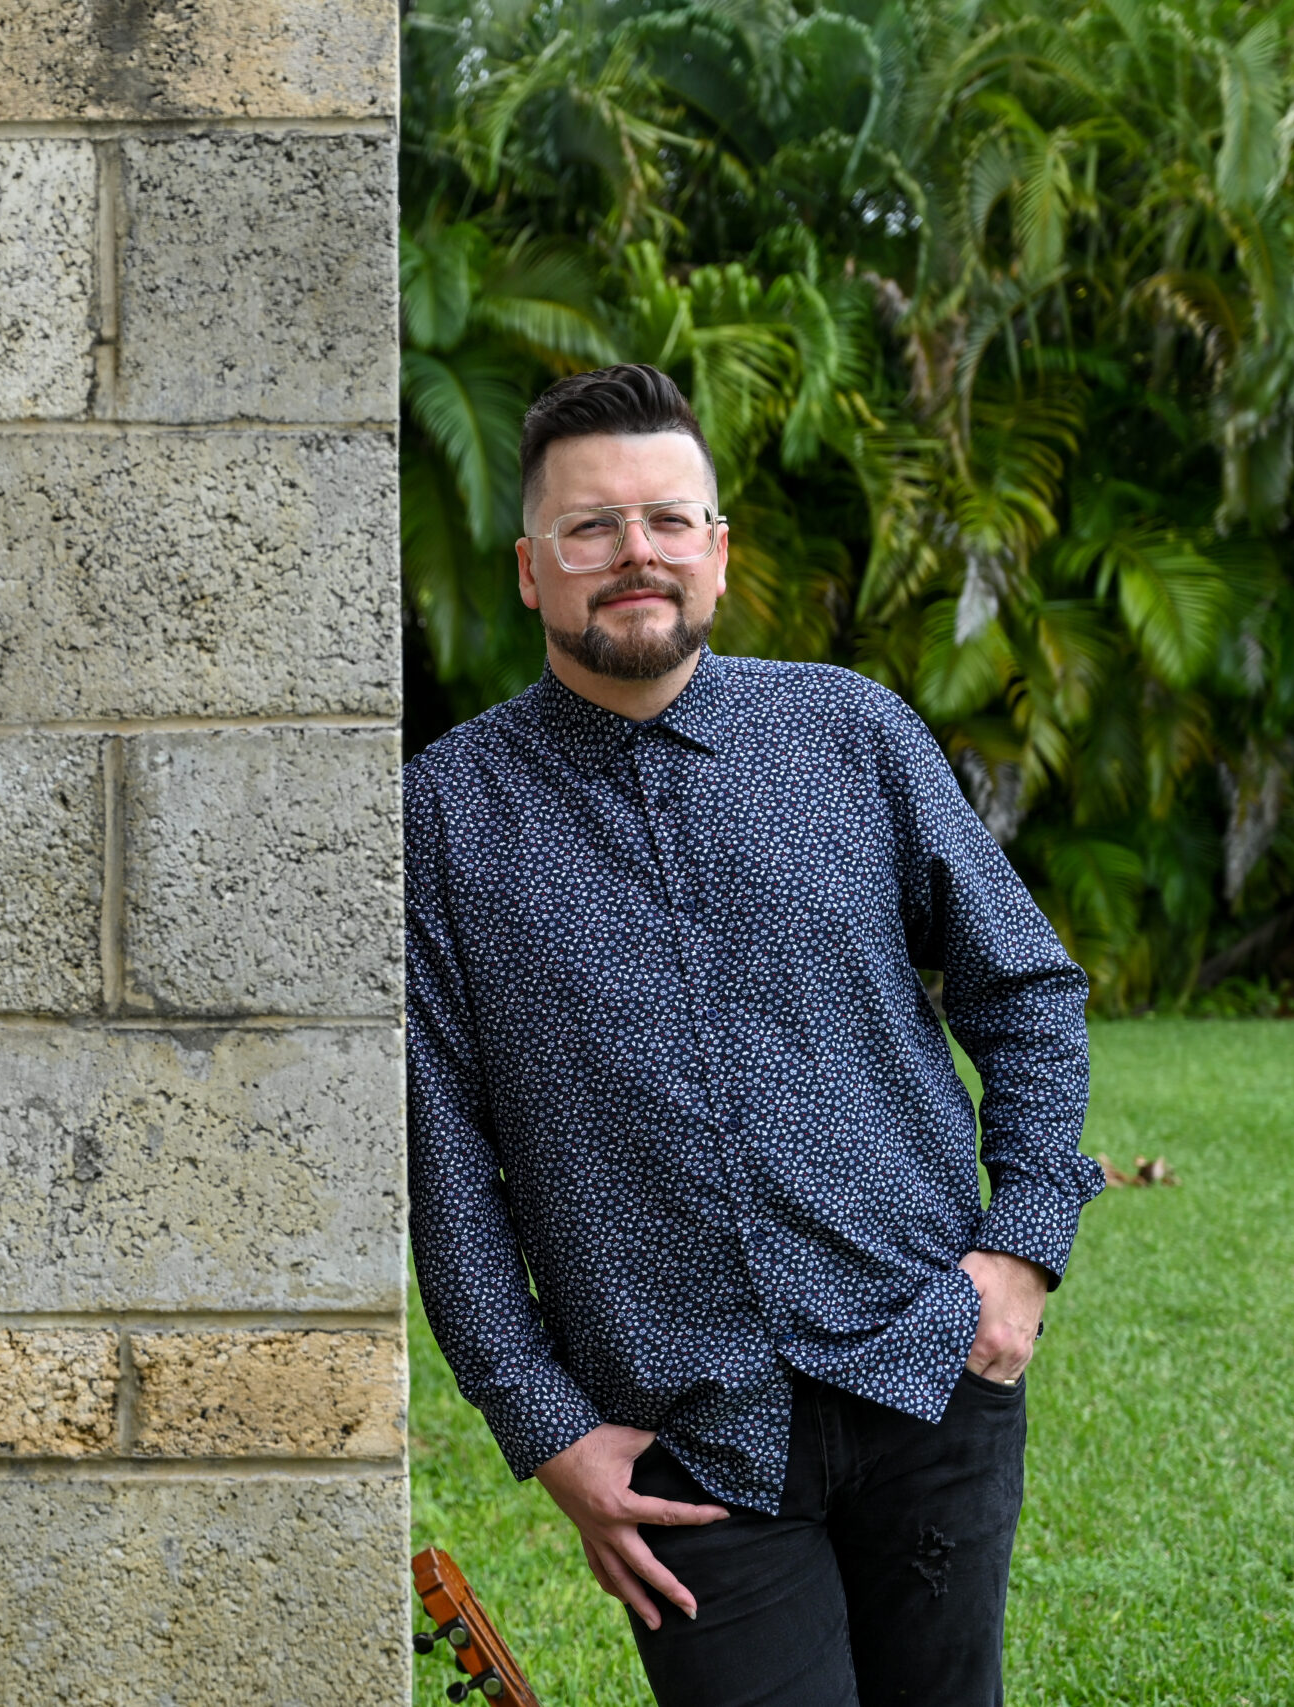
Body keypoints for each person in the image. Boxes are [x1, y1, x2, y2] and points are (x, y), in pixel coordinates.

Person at [406, 364, 1101, 1707]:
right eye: (589, 529)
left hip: (925, 1374)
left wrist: (1019, 1253)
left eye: (668, 520)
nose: (634, 556)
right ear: (530, 571)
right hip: (687, 1443)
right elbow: (440, 1152)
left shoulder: (851, 735)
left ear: (716, 552)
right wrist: (544, 1427)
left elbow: (1024, 990)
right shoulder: (445, 819)